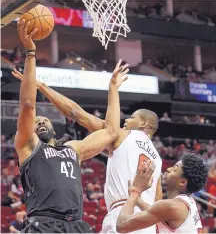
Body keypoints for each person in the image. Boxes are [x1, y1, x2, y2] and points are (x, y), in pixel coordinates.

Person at [12, 53, 162, 234]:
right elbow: (158, 200)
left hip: (123, 213)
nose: (126, 121)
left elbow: (76, 113)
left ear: (143, 123)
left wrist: (113, 88)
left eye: (131, 117)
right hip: (147, 222)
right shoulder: (158, 158)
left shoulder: (122, 135)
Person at [15, 19, 128, 233]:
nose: (40, 121)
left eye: (45, 120)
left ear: (55, 129)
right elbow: (29, 105)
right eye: (37, 121)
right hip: (43, 223)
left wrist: (113, 88)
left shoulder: (73, 149)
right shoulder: (29, 147)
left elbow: (112, 132)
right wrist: (31, 52)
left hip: (77, 224)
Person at [116, 154, 209, 234]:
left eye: (174, 169)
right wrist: (138, 200)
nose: (168, 169)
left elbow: (121, 226)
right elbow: (158, 212)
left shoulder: (173, 207)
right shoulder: (188, 203)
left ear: (183, 182)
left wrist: (135, 192)